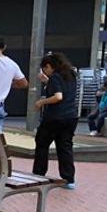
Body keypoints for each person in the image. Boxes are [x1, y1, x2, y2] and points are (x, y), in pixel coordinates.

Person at [32, 53, 78, 189]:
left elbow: (58, 96)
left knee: (42, 143)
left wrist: (41, 102)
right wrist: (47, 82)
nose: (45, 72)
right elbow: (63, 89)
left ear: (49, 66)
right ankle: (69, 179)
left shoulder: (55, 77)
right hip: (71, 117)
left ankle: (39, 174)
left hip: (54, 117)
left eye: (44, 69)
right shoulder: (71, 75)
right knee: (65, 147)